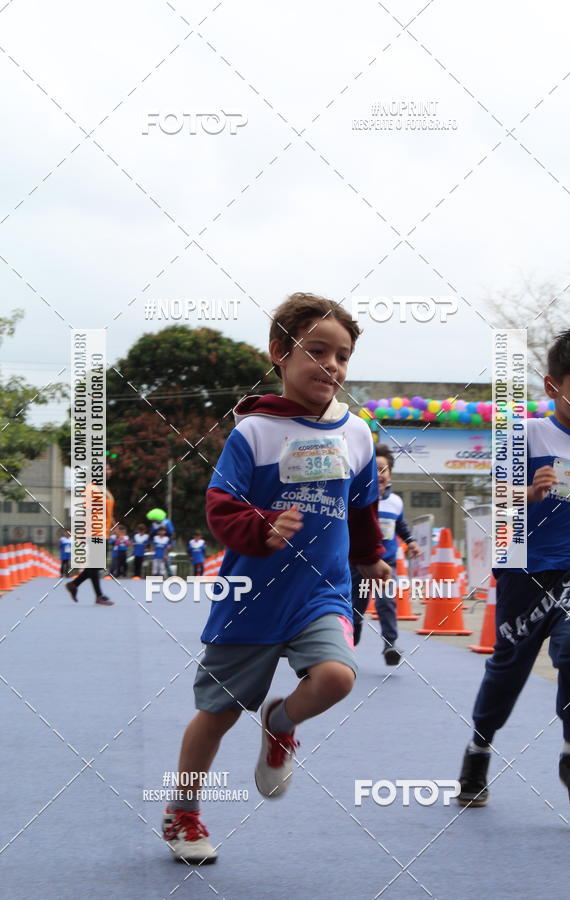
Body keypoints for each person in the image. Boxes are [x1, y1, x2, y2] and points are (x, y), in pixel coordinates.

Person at [162, 292, 390, 863]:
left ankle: (281, 722)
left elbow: (361, 507)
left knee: (337, 678)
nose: (331, 366)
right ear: (279, 353)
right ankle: (182, 813)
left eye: (342, 356)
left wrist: (371, 556)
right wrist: (261, 526)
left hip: (322, 592)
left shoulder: (357, 434)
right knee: (216, 715)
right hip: (253, 599)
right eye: (316, 351)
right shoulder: (255, 432)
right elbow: (220, 505)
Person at [457, 329, 570, 811]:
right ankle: (478, 751)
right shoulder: (525, 434)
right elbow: (498, 499)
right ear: (552, 386)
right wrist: (530, 493)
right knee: (507, 671)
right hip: (524, 572)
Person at [350, 443, 421, 665]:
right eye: (374, 470)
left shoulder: (395, 502)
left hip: (386, 564)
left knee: (386, 602)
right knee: (356, 604)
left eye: (383, 470)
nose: (379, 474)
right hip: (359, 562)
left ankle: (390, 645)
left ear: (390, 474)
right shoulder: (359, 498)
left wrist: (410, 542)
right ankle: (351, 634)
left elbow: (401, 526)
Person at [66, 463, 114, 605]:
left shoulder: (104, 489)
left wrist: (113, 523)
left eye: (109, 469)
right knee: (96, 563)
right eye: (105, 469)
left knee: (96, 564)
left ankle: (74, 584)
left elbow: (107, 511)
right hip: (94, 530)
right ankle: (98, 595)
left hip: (104, 531)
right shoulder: (91, 489)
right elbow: (86, 511)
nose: (109, 471)